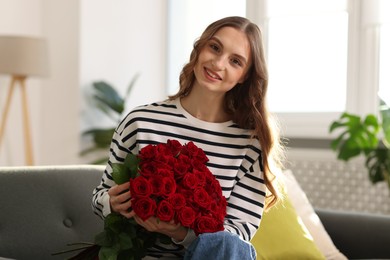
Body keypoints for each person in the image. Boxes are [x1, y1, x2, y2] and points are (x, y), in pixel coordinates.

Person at [92, 16, 285, 259]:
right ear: (199, 48)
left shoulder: (249, 144)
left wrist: (182, 233)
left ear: (244, 76)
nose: (218, 63)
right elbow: (100, 196)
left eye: (235, 61)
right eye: (214, 47)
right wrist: (111, 203)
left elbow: (237, 236)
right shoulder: (140, 121)